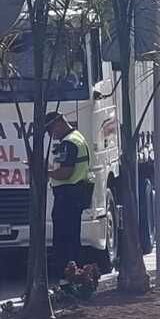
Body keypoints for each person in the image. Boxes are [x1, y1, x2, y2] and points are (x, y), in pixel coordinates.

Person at [45, 111, 94, 270]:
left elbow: (66, 173)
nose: (50, 135)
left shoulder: (68, 143)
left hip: (68, 197)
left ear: (58, 122)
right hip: (76, 194)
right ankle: (76, 276)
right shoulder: (77, 137)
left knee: (64, 241)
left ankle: (69, 277)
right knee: (73, 239)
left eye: (50, 130)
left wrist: (44, 172)